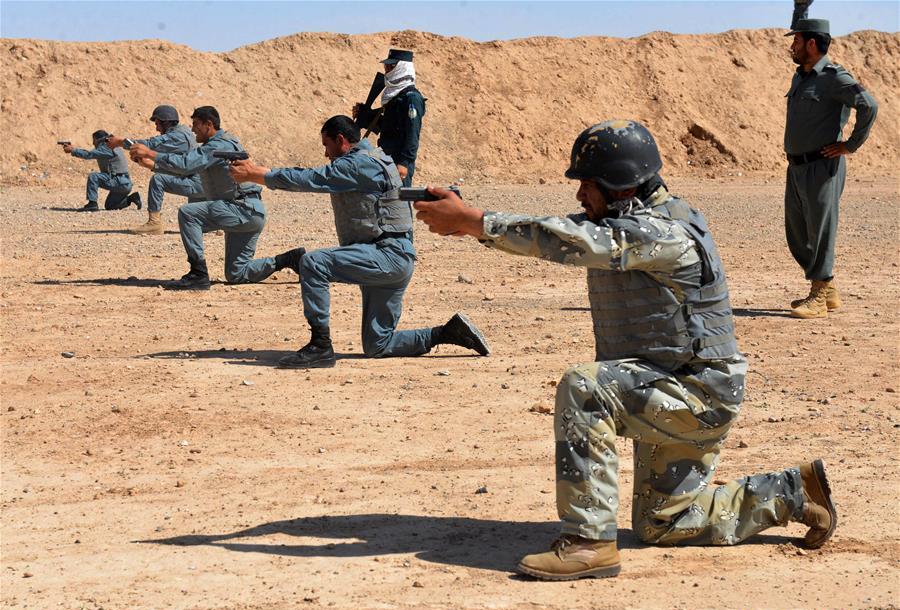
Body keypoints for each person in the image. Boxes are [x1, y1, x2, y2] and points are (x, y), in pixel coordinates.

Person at [415, 120, 837, 580]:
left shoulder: (660, 231)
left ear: (621, 187)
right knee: (666, 524)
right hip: (674, 387)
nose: (580, 196)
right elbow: (556, 231)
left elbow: (571, 241)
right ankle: (794, 493)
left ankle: (588, 542)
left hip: (696, 396)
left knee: (587, 388)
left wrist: (473, 221)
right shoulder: (628, 220)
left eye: (588, 186)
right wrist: (471, 225)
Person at [228, 115, 489, 369]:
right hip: (391, 258)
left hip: (386, 256)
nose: (326, 154)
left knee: (313, 263)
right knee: (378, 344)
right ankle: (448, 333)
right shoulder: (378, 157)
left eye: (327, 146)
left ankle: (320, 346)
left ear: (341, 140)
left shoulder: (357, 164)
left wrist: (256, 174)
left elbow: (310, 179)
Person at [129, 106, 301, 290]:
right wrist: (152, 165)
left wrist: (151, 153)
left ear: (208, 124)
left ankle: (198, 274)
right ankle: (289, 259)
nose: (192, 129)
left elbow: (187, 163)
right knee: (237, 273)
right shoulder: (218, 145)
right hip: (248, 212)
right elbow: (189, 168)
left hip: (241, 208)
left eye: (196, 124)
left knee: (189, 214)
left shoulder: (219, 145)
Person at [784, 0, 878, 318]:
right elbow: (802, 28)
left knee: (821, 230)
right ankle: (827, 286)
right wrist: (800, 9)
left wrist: (850, 145)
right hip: (796, 167)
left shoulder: (834, 77)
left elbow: (869, 106)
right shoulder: (803, 75)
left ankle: (820, 295)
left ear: (812, 44)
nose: (792, 46)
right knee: (798, 232)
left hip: (822, 167)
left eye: (797, 41)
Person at [108, 104, 204, 235]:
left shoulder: (176, 137)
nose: (157, 127)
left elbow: (146, 145)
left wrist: (119, 142)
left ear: (166, 122)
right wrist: (151, 165)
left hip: (198, 184)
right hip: (201, 182)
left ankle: (154, 223)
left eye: (158, 123)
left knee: (158, 180)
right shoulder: (184, 132)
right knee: (198, 224)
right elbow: (180, 166)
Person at [353, 48, 425, 187]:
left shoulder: (411, 98)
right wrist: (365, 116)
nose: (386, 69)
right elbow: (387, 125)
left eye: (391, 66)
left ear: (401, 68)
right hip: (386, 155)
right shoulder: (395, 95)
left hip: (399, 159)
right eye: (386, 66)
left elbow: (412, 133)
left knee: (399, 202)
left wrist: (404, 162)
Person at [63, 131, 141, 212]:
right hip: (124, 183)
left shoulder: (106, 147)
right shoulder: (113, 146)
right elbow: (90, 152)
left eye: (94, 140)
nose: (93, 143)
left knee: (94, 176)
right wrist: (73, 149)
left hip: (119, 181)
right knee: (110, 206)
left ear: (98, 140)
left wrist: (72, 150)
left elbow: (89, 154)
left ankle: (92, 204)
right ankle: (132, 198)